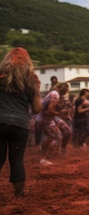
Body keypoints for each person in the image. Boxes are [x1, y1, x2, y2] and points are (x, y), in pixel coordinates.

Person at [0, 48, 43, 197]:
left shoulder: (0, 75)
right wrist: (36, 90)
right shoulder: (31, 79)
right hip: (20, 124)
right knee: (16, 159)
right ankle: (19, 193)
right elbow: (37, 109)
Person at [37, 82, 72, 164]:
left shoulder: (56, 95)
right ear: (63, 88)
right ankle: (45, 157)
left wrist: (61, 112)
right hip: (45, 118)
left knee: (66, 131)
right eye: (67, 89)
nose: (67, 91)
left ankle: (59, 151)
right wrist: (60, 113)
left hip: (50, 117)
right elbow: (50, 111)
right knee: (57, 136)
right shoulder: (55, 94)